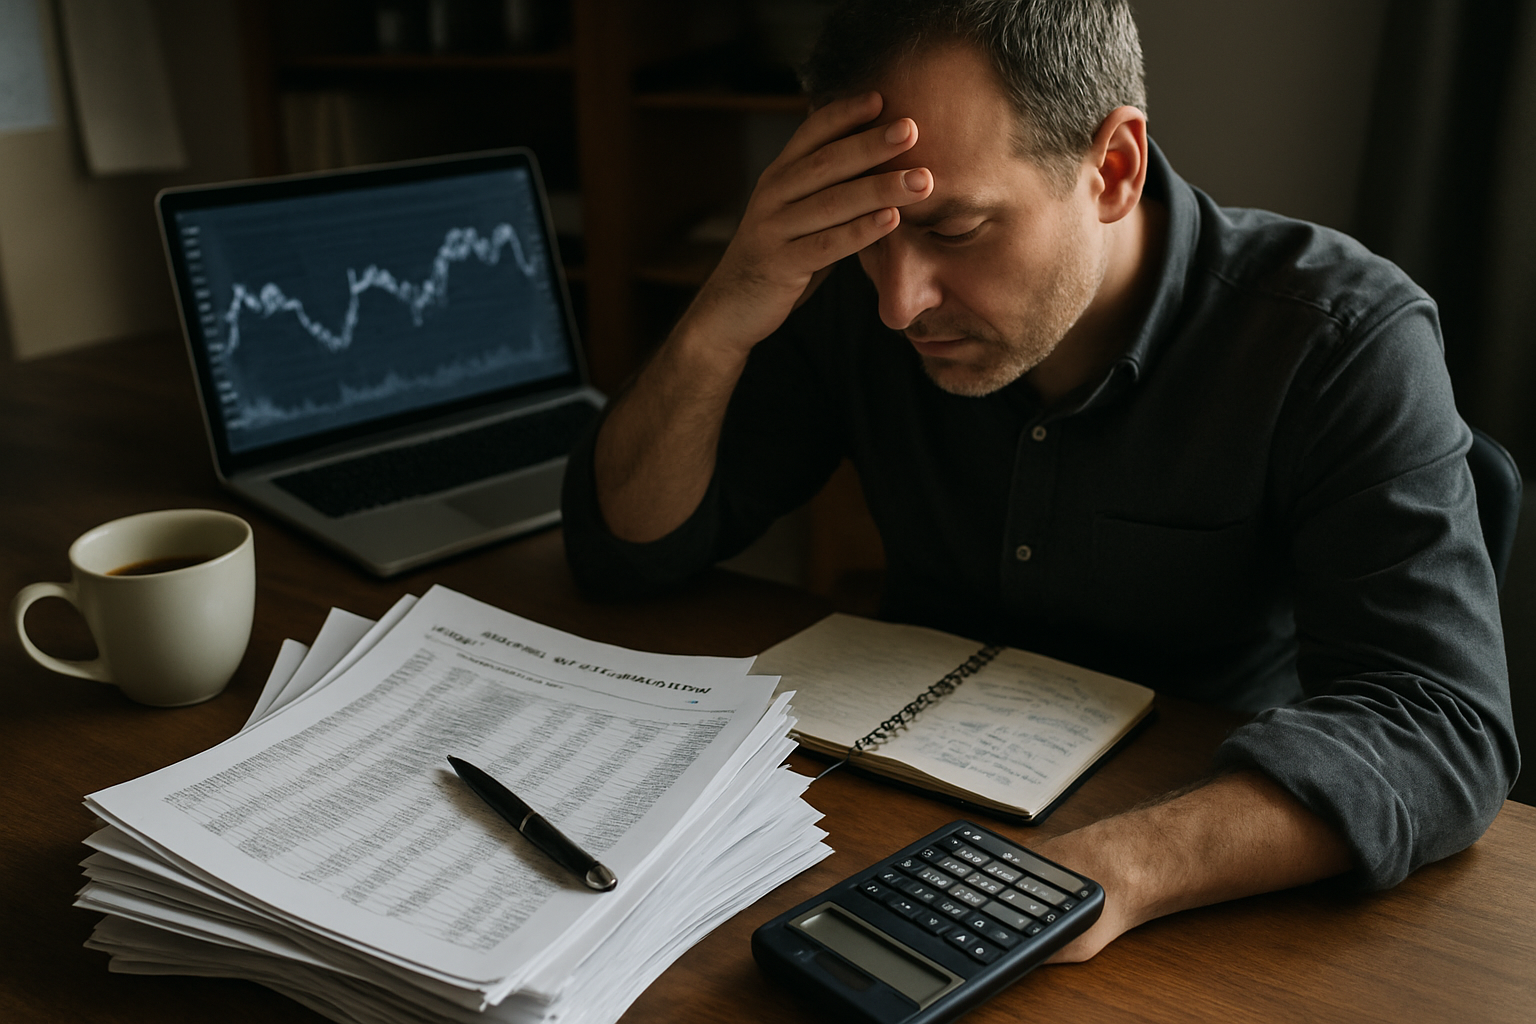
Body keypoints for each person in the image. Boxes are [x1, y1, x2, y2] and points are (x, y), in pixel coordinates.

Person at [561, 0, 1518, 960]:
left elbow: (1439, 722)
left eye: (958, 229)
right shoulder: (854, 299)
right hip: (874, 828)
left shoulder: (1338, 339)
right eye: (867, 234)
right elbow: (632, 547)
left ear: (1113, 168)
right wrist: (729, 306)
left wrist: (1110, 872)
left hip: (1195, 873)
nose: (900, 302)